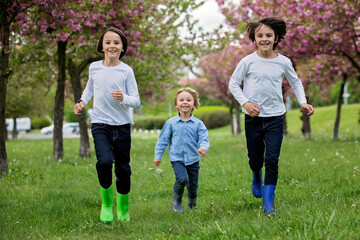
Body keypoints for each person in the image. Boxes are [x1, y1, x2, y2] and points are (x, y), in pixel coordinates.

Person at [228, 17, 314, 215]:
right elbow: (234, 84)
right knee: (255, 158)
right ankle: (256, 175)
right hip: (253, 118)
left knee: (273, 159)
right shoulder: (247, 61)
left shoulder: (284, 62)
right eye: (260, 35)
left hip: (276, 116)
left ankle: (268, 205)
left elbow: (296, 82)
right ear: (254, 38)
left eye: (268, 35)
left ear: (276, 38)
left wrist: (302, 102)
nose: (264, 39)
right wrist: (246, 103)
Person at [74, 27, 141, 223]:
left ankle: (122, 208)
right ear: (102, 47)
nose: (112, 45)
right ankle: (106, 205)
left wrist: (124, 98)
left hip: (122, 126)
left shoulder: (126, 70)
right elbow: (89, 88)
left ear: (122, 48)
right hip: (100, 124)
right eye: (108, 42)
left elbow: (136, 100)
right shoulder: (94, 67)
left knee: (123, 168)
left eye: (117, 43)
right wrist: (81, 102)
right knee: (104, 162)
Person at [154, 87, 209, 212]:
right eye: (181, 100)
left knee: (193, 186)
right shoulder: (170, 123)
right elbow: (162, 140)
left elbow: (204, 138)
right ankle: (177, 203)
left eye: (189, 100)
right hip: (177, 158)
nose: (185, 102)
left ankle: (192, 206)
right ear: (176, 104)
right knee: (182, 179)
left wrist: (203, 147)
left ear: (194, 104)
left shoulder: (198, 124)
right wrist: (158, 155)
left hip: (193, 159)